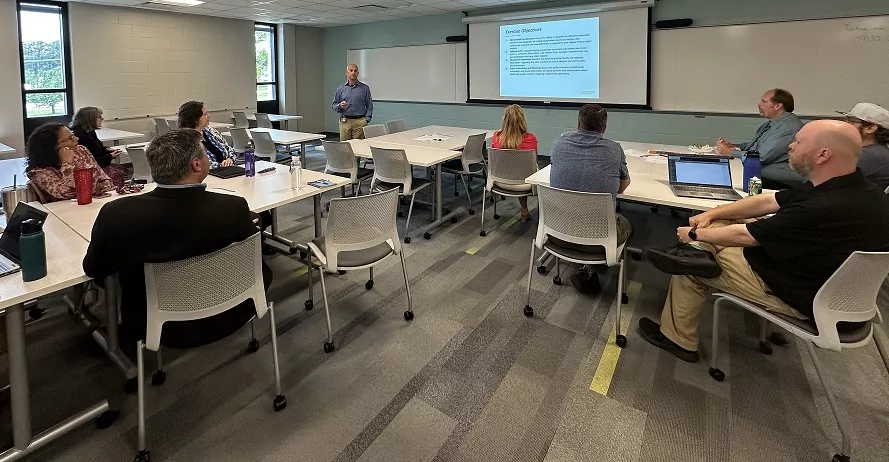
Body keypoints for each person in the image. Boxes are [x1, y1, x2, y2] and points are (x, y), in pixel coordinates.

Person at [641, 120, 889, 362]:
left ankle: (677, 338)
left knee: (689, 267)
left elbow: (748, 236)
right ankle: (699, 252)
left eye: (799, 142)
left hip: (804, 297)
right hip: (829, 287)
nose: (791, 146)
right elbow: (768, 201)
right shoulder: (854, 188)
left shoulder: (823, 206)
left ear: (823, 154)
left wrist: (695, 234)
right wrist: (713, 214)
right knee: (720, 223)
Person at [82, 129, 272, 349]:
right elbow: (256, 264)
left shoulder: (117, 215)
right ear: (196, 164)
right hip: (234, 307)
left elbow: (94, 268)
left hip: (156, 323)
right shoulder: (232, 208)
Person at [549, 104, 632, 294]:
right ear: (604, 127)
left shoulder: (558, 144)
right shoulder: (614, 149)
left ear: (578, 124)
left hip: (557, 232)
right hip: (599, 238)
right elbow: (622, 186)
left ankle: (586, 268)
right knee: (627, 224)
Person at [715, 89, 805, 189]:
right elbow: (755, 145)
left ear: (778, 106)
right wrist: (734, 146)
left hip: (778, 180)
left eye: (764, 102)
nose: (759, 104)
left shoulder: (788, 127)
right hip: (762, 173)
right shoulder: (772, 124)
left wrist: (730, 152)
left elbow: (761, 157)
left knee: (730, 178)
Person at [25, 123, 114, 201]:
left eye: (73, 135)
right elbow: (68, 193)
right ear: (52, 147)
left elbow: (102, 177)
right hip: (66, 210)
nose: (77, 139)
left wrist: (105, 190)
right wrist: (67, 164)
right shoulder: (38, 171)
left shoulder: (80, 150)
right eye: (70, 138)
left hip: (95, 202)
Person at [490, 104, 538, 222]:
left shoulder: (496, 137)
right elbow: (533, 161)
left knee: (515, 169)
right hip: (524, 183)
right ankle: (526, 210)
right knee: (528, 170)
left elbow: (496, 162)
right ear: (522, 121)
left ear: (505, 120)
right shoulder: (531, 139)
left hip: (500, 181)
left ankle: (524, 209)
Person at [70, 106, 129, 188]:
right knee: (118, 173)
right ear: (89, 119)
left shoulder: (89, 132)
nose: (102, 118)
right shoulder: (80, 136)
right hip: (89, 168)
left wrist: (107, 150)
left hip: (97, 164)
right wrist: (110, 156)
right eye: (99, 117)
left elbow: (97, 148)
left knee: (123, 170)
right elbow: (90, 160)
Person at [838, 102, 889, 191]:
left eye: (851, 121)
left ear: (870, 128)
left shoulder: (871, 155)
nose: (845, 124)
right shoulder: (876, 150)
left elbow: (826, 177)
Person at [176, 100, 235, 168]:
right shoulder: (186, 141)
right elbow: (199, 165)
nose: (209, 116)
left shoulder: (210, 131)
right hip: (210, 173)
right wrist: (222, 165)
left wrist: (230, 159)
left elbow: (229, 149)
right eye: (205, 114)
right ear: (195, 120)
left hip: (227, 169)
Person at [331, 64, 373, 141]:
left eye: (355, 71)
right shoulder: (340, 89)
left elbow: (369, 105)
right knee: (344, 145)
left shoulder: (365, 88)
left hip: (360, 122)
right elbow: (334, 105)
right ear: (347, 73)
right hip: (345, 121)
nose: (353, 72)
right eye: (351, 70)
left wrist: (367, 120)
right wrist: (340, 105)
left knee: (358, 145)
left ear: (358, 73)